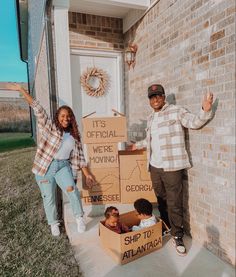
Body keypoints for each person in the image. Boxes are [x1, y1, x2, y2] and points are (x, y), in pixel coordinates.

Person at [128, 84, 214, 256]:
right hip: (154, 166)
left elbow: (194, 122)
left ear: (164, 96)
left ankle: (177, 235)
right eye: (152, 97)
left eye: (158, 96)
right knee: (161, 199)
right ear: (149, 101)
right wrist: (137, 145)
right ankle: (167, 226)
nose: (155, 99)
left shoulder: (176, 111)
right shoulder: (150, 118)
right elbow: (150, 141)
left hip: (172, 166)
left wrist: (205, 110)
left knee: (174, 202)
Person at [7, 83, 96, 236]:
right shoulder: (49, 127)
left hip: (63, 167)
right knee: (49, 197)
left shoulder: (74, 135)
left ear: (71, 118)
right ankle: (53, 223)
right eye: (62, 116)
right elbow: (38, 108)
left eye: (68, 116)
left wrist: (87, 174)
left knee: (72, 191)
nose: (66, 119)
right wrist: (22, 90)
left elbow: (80, 159)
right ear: (57, 117)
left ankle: (79, 217)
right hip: (45, 168)